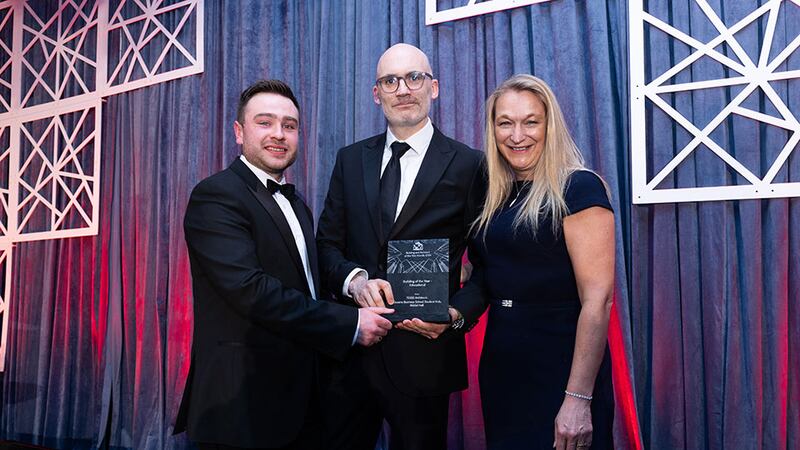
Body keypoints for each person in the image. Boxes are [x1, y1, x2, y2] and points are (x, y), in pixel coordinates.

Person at [175, 79, 394, 450]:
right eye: (265, 122)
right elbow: (253, 292)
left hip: (303, 399)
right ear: (239, 132)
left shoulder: (297, 205)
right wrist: (351, 323)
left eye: (289, 125)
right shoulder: (216, 195)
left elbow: (308, 279)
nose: (279, 133)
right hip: (242, 406)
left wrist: (356, 282)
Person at [316, 43, 487, 450]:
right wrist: (355, 281)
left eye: (414, 77)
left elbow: (488, 265)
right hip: (352, 352)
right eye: (390, 81)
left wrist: (456, 315)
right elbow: (327, 245)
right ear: (377, 94)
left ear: (434, 87)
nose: (403, 89)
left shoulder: (470, 165)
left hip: (424, 356)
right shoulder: (350, 160)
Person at [465, 74, 616, 450]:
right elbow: (498, 268)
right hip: (503, 368)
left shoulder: (578, 188)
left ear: (550, 126)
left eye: (530, 122)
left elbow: (598, 301)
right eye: (505, 123)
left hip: (561, 368)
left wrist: (577, 399)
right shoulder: (496, 195)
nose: (517, 135)